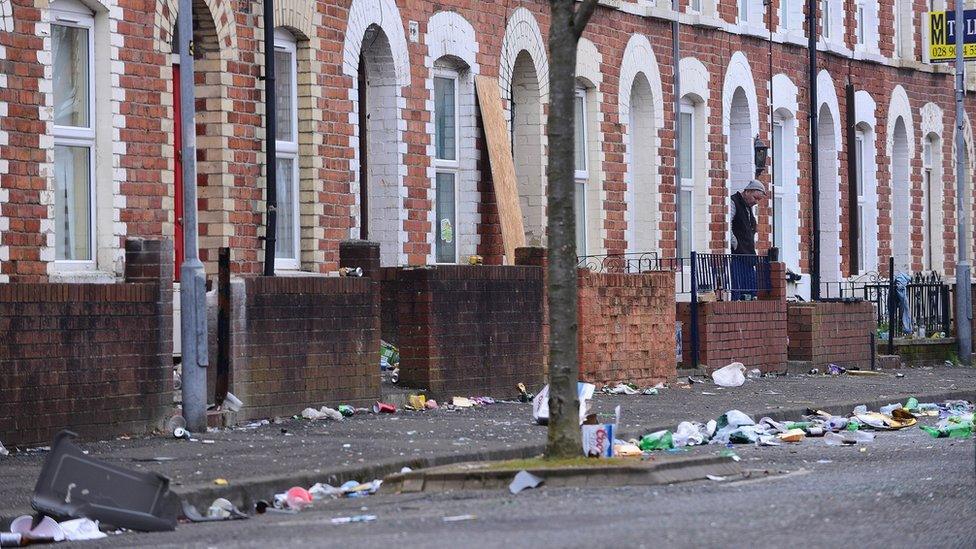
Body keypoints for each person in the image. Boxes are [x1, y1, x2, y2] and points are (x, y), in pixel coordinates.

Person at [729, 180, 767, 300]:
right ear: (747, 191)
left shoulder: (748, 207)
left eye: (758, 200)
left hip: (748, 255)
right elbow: (727, 223)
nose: (756, 202)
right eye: (755, 198)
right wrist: (734, 242)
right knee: (739, 284)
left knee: (751, 289)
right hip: (737, 254)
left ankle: (749, 299)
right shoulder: (734, 202)